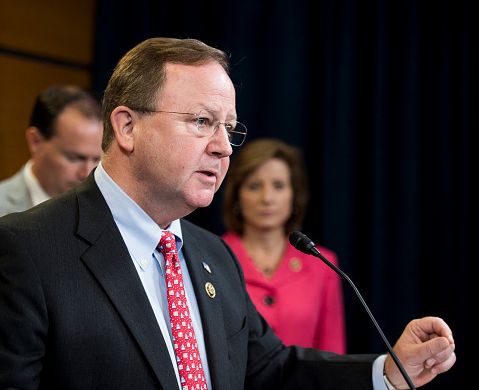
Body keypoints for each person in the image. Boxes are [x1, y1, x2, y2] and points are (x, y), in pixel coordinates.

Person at [0, 37, 455, 389]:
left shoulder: (212, 253)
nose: (222, 147)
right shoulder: (25, 249)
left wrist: (388, 372)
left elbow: (267, 370)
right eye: (201, 122)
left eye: (229, 129)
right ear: (127, 127)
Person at [221, 138, 346, 354]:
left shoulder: (323, 264)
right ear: (237, 196)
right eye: (254, 186)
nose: (267, 198)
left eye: (278, 186)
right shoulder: (213, 257)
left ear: (294, 195)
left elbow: (332, 355)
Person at [0, 85, 103, 216]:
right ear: (35, 141)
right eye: (75, 158)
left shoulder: (107, 211)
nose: (88, 173)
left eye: (97, 159)